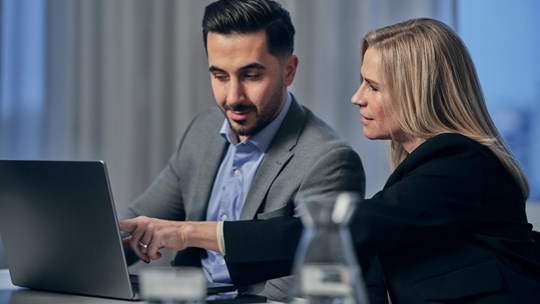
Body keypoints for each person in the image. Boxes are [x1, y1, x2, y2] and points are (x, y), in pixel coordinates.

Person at [122, 18, 540, 303]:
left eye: (373, 86)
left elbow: (340, 232)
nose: (357, 97)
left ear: (417, 93)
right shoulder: (428, 170)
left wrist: (188, 233)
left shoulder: (460, 162)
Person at [119, 0, 365, 301]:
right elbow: (137, 222)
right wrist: (94, 247)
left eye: (251, 76)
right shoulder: (204, 131)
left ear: (288, 70)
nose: (233, 97)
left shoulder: (328, 160)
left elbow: (302, 288)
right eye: (220, 76)